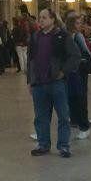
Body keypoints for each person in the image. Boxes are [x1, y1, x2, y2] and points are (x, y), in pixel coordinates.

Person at [28, 8, 79, 158]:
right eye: (40, 17)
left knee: (63, 115)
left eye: (44, 17)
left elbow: (75, 56)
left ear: (52, 20)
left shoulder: (62, 36)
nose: (41, 20)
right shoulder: (35, 37)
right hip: (39, 83)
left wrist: (63, 72)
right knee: (40, 116)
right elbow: (31, 60)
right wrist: (30, 81)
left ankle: (63, 145)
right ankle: (43, 144)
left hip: (56, 83)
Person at [65, 13, 91, 140]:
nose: (79, 25)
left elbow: (86, 52)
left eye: (80, 23)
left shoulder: (78, 36)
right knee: (71, 97)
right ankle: (75, 119)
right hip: (70, 71)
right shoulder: (67, 35)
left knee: (80, 97)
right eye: (77, 23)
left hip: (79, 70)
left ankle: (84, 125)